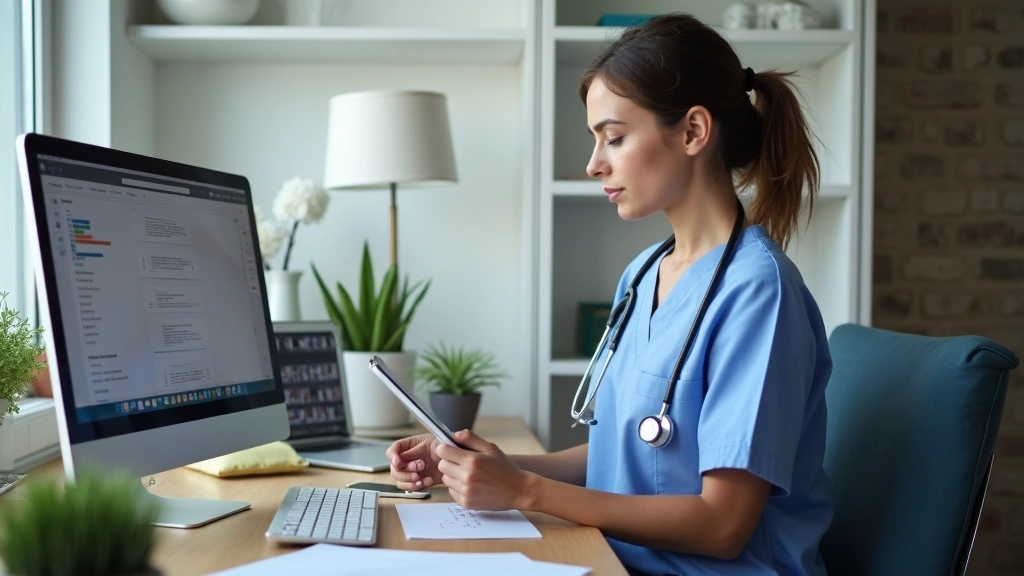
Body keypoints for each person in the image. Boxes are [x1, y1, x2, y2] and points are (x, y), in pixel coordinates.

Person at [387, 13, 832, 576]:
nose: (595, 164)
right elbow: (626, 459)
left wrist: (524, 490)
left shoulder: (758, 294)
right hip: (614, 559)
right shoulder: (643, 273)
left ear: (694, 131)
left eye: (614, 138)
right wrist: (482, 466)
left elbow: (722, 528)